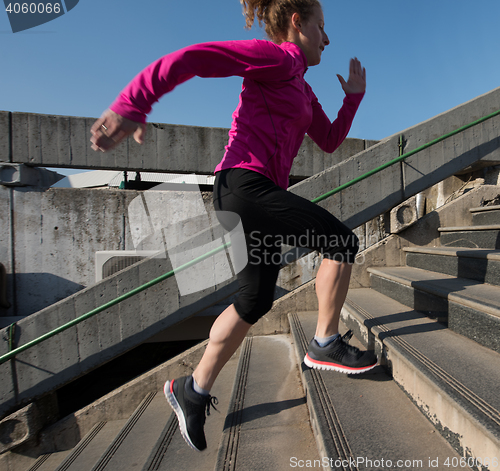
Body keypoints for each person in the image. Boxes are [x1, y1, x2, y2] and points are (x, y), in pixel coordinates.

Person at [90, 0, 377, 453]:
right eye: (322, 27)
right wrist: (134, 102)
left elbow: (328, 140)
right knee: (340, 241)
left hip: (249, 194)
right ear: (297, 23)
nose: (328, 38)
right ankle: (324, 342)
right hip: (246, 185)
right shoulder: (276, 58)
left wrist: (353, 99)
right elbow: (194, 58)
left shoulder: (302, 87)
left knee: (255, 299)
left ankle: (193, 389)